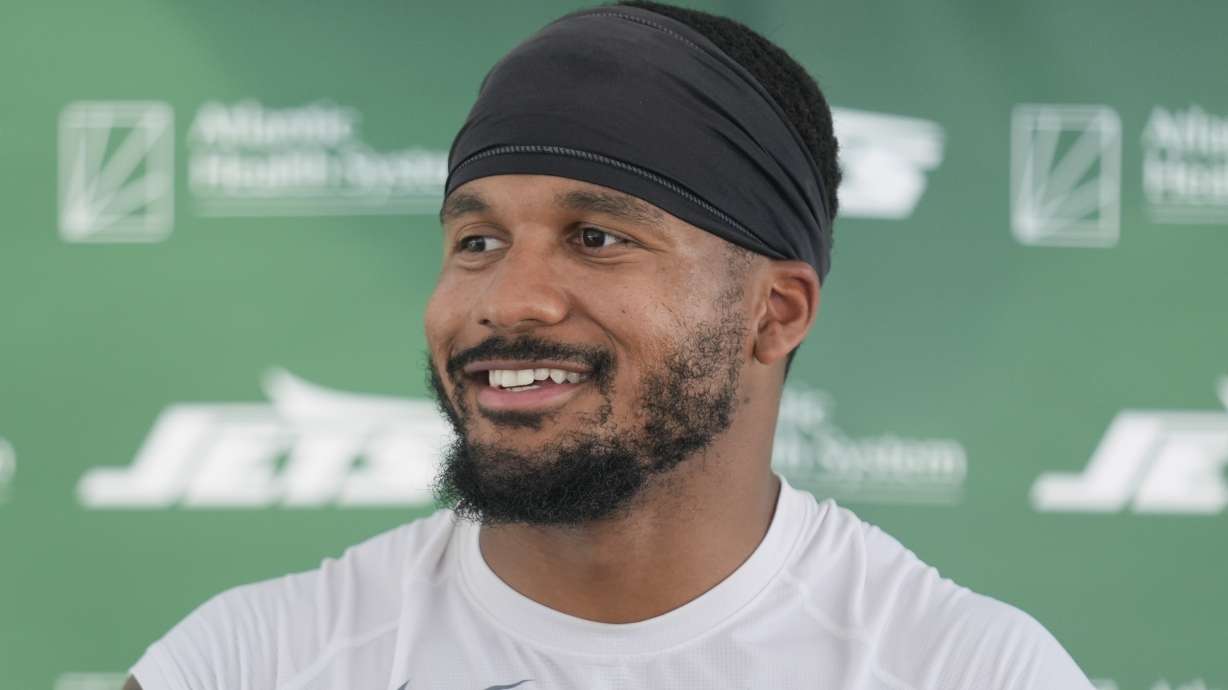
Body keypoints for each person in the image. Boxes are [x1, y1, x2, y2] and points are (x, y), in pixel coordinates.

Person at [125, 2, 1096, 688]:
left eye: (596, 238)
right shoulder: (250, 663)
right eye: (477, 242)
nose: (510, 300)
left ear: (775, 313)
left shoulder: (963, 669)